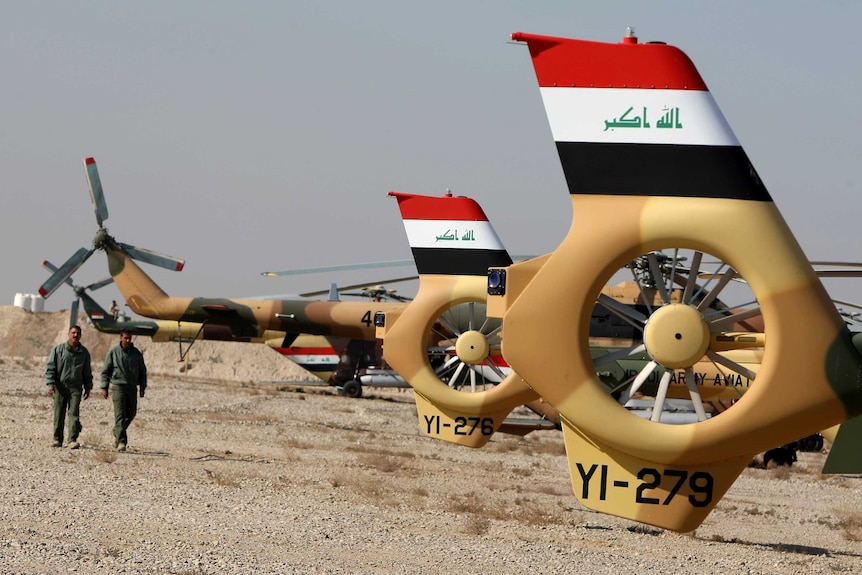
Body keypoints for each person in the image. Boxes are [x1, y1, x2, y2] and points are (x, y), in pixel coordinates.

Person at [45, 325, 93, 449]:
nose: (75, 335)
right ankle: (57, 439)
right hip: (60, 387)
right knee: (59, 414)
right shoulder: (59, 350)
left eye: (77, 333)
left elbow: (87, 372)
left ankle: (72, 439)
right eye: (73, 333)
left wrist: (88, 387)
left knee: (74, 413)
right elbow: (51, 367)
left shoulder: (84, 353)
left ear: (80, 335)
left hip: (75, 388)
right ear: (68, 334)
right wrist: (50, 384)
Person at [101, 329, 147, 451]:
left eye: (129, 338)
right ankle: (122, 442)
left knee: (131, 413)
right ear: (120, 338)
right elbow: (106, 371)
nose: (128, 340)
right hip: (118, 387)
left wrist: (142, 387)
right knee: (120, 415)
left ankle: (117, 430)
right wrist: (104, 387)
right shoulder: (113, 352)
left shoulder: (136, 354)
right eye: (125, 338)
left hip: (132, 388)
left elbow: (142, 371)